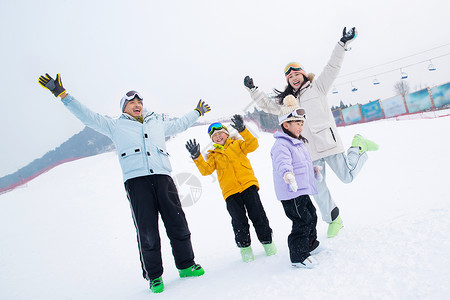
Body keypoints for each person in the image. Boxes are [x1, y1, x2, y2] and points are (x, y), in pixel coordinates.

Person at [38, 73, 211, 294]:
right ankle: (155, 276)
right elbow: (88, 117)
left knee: (177, 222)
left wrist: (196, 112)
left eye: (139, 102)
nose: (137, 105)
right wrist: (62, 94)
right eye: (132, 103)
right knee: (147, 229)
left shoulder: (156, 123)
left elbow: (178, 125)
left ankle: (186, 265)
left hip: (162, 177)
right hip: (137, 182)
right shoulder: (114, 126)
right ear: (124, 108)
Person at [243, 27, 379, 238]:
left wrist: (342, 44)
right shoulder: (288, 103)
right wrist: (253, 90)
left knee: (347, 177)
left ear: (304, 75)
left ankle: (358, 146)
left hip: (329, 144)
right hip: (308, 153)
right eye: (290, 77)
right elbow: (267, 105)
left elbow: (332, 66)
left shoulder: (318, 87)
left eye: (297, 74)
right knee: (317, 186)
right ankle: (334, 219)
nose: (294, 78)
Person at [185, 115, 276, 262]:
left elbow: (253, 145)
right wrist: (197, 157)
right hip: (231, 192)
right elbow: (206, 171)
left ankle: (268, 243)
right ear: (212, 140)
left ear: (227, 134)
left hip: (248, 185)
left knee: (258, 215)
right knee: (239, 221)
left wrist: (243, 130)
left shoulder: (238, 144)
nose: (218, 136)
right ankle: (245, 248)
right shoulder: (213, 155)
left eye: (221, 133)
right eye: (214, 136)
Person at [271, 95, 321, 268]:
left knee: (311, 215)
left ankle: (310, 244)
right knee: (302, 220)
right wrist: (288, 175)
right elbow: (283, 164)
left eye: (301, 123)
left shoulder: (297, 143)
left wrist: (313, 170)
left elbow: (302, 164)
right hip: (291, 192)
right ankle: (298, 256)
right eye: (297, 123)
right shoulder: (281, 145)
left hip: (301, 190)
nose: (301, 127)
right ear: (286, 125)